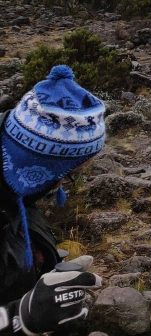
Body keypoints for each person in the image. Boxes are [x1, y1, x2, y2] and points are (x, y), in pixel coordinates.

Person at [0, 65, 106, 334]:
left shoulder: (15, 194)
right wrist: (18, 317)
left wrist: (46, 267)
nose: (60, 185)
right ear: (35, 168)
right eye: (66, 174)